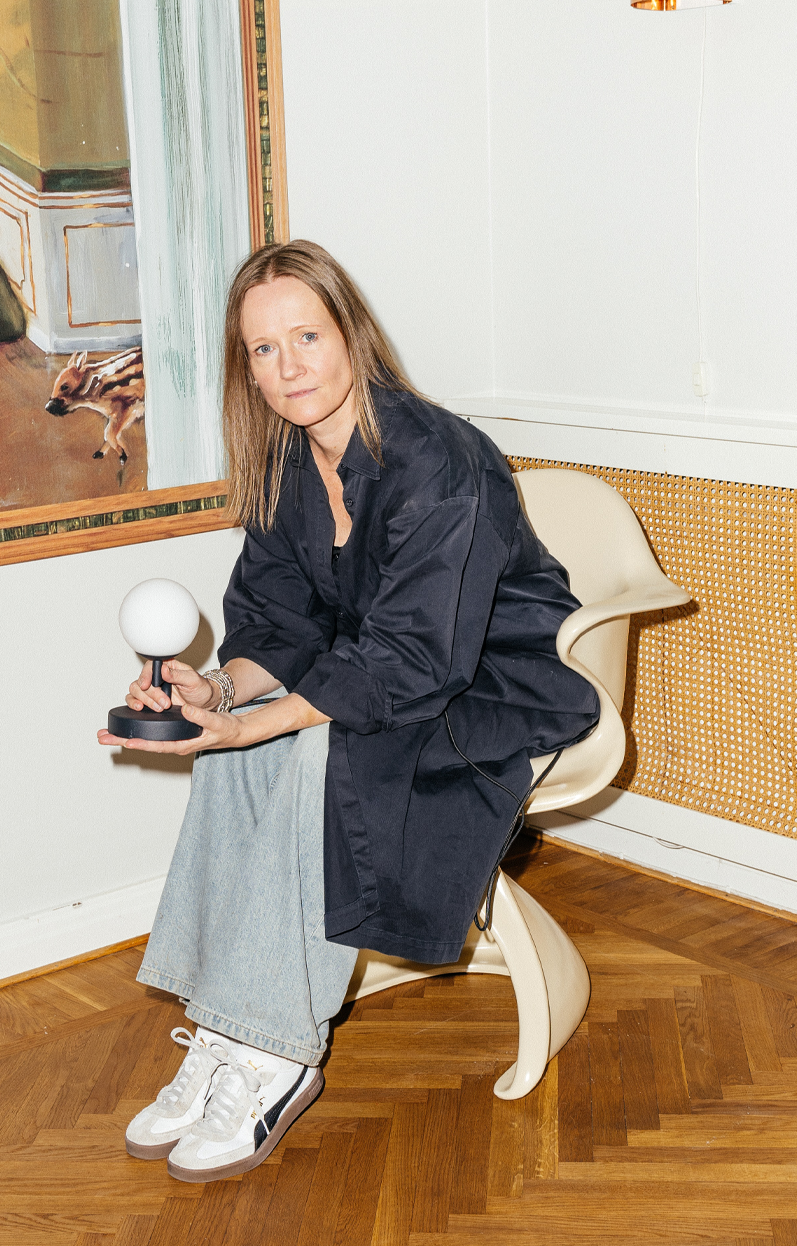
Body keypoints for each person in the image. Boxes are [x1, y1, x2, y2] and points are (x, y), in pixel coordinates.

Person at [96, 240, 599, 1184]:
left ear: (352, 335)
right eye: (263, 349)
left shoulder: (439, 459)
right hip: (385, 672)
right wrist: (219, 694)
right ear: (246, 369)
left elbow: (417, 656)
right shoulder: (289, 463)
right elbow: (275, 621)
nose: (288, 367)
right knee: (237, 752)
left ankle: (275, 1052)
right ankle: (224, 1029)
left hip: (490, 684)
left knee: (319, 751)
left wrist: (261, 719)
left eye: (307, 337)